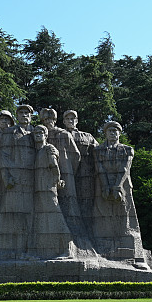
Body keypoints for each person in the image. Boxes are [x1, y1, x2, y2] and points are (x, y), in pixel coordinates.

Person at [92, 121, 149, 269]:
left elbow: (125, 169)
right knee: (103, 214)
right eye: (110, 131)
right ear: (105, 133)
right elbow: (100, 169)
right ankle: (105, 252)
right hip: (103, 185)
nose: (112, 133)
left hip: (122, 185)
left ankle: (135, 255)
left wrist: (117, 186)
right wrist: (105, 185)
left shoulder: (127, 150)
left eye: (115, 131)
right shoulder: (98, 150)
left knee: (126, 216)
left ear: (119, 133)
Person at [40, 107, 93, 252]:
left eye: (50, 119)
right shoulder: (39, 134)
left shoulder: (63, 134)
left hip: (66, 174)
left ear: (55, 120)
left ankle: (74, 240)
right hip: (45, 176)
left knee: (69, 205)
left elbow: (76, 155)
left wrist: (70, 172)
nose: (48, 122)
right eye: (46, 120)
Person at [0, 105, 36, 257]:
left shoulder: (37, 132)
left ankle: (30, 248)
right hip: (15, 178)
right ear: (17, 116)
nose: (24, 115)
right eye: (21, 113)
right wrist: (6, 177)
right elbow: (3, 155)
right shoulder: (9, 133)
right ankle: (5, 248)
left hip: (33, 178)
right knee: (10, 211)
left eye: (27, 113)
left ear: (31, 116)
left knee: (32, 214)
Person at [30, 125, 73, 259]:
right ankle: (43, 251)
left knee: (56, 215)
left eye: (41, 132)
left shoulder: (48, 148)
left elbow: (54, 166)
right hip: (39, 188)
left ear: (46, 135)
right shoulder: (38, 150)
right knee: (42, 219)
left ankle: (67, 249)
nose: (38, 134)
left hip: (48, 187)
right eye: (36, 132)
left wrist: (57, 180)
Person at [63, 109, 98, 224]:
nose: (70, 121)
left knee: (86, 201)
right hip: (67, 174)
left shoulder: (87, 136)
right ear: (64, 121)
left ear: (77, 120)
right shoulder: (59, 135)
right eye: (67, 119)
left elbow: (98, 152)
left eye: (72, 118)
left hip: (85, 175)